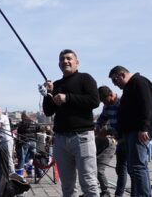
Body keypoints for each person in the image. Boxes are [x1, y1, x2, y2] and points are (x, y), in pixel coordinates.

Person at [43, 49, 100, 197]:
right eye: (62, 59)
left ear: (77, 62)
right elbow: (48, 111)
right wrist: (48, 93)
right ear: (59, 64)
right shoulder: (57, 84)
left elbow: (94, 101)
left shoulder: (85, 78)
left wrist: (67, 98)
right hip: (61, 139)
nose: (65, 61)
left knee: (88, 182)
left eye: (69, 58)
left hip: (82, 137)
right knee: (67, 186)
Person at [109, 65, 152, 197]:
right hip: (131, 132)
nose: (115, 85)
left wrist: (144, 127)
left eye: (115, 81)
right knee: (135, 167)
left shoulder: (139, 82)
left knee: (138, 167)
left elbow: (147, 105)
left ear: (121, 75)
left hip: (138, 131)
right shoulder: (130, 86)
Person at [96, 85, 127, 197]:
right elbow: (101, 119)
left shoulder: (122, 103)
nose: (104, 103)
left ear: (111, 95)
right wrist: (97, 128)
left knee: (134, 169)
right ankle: (118, 195)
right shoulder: (107, 106)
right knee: (120, 169)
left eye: (104, 100)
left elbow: (125, 124)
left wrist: (109, 131)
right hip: (119, 140)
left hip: (128, 138)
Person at [15, 112, 39, 176]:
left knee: (22, 157)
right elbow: (39, 128)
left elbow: (17, 129)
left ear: (23, 117)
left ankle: (20, 174)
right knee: (31, 157)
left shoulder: (22, 123)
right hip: (33, 142)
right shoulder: (34, 123)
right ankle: (29, 172)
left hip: (25, 142)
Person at [0, 105, 15, 172]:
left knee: (9, 158)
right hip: (3, 142)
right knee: (4, 159)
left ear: (0, 110)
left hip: (7, 141)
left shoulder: (2, 117)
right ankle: (7, 172)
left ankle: (13, 173)